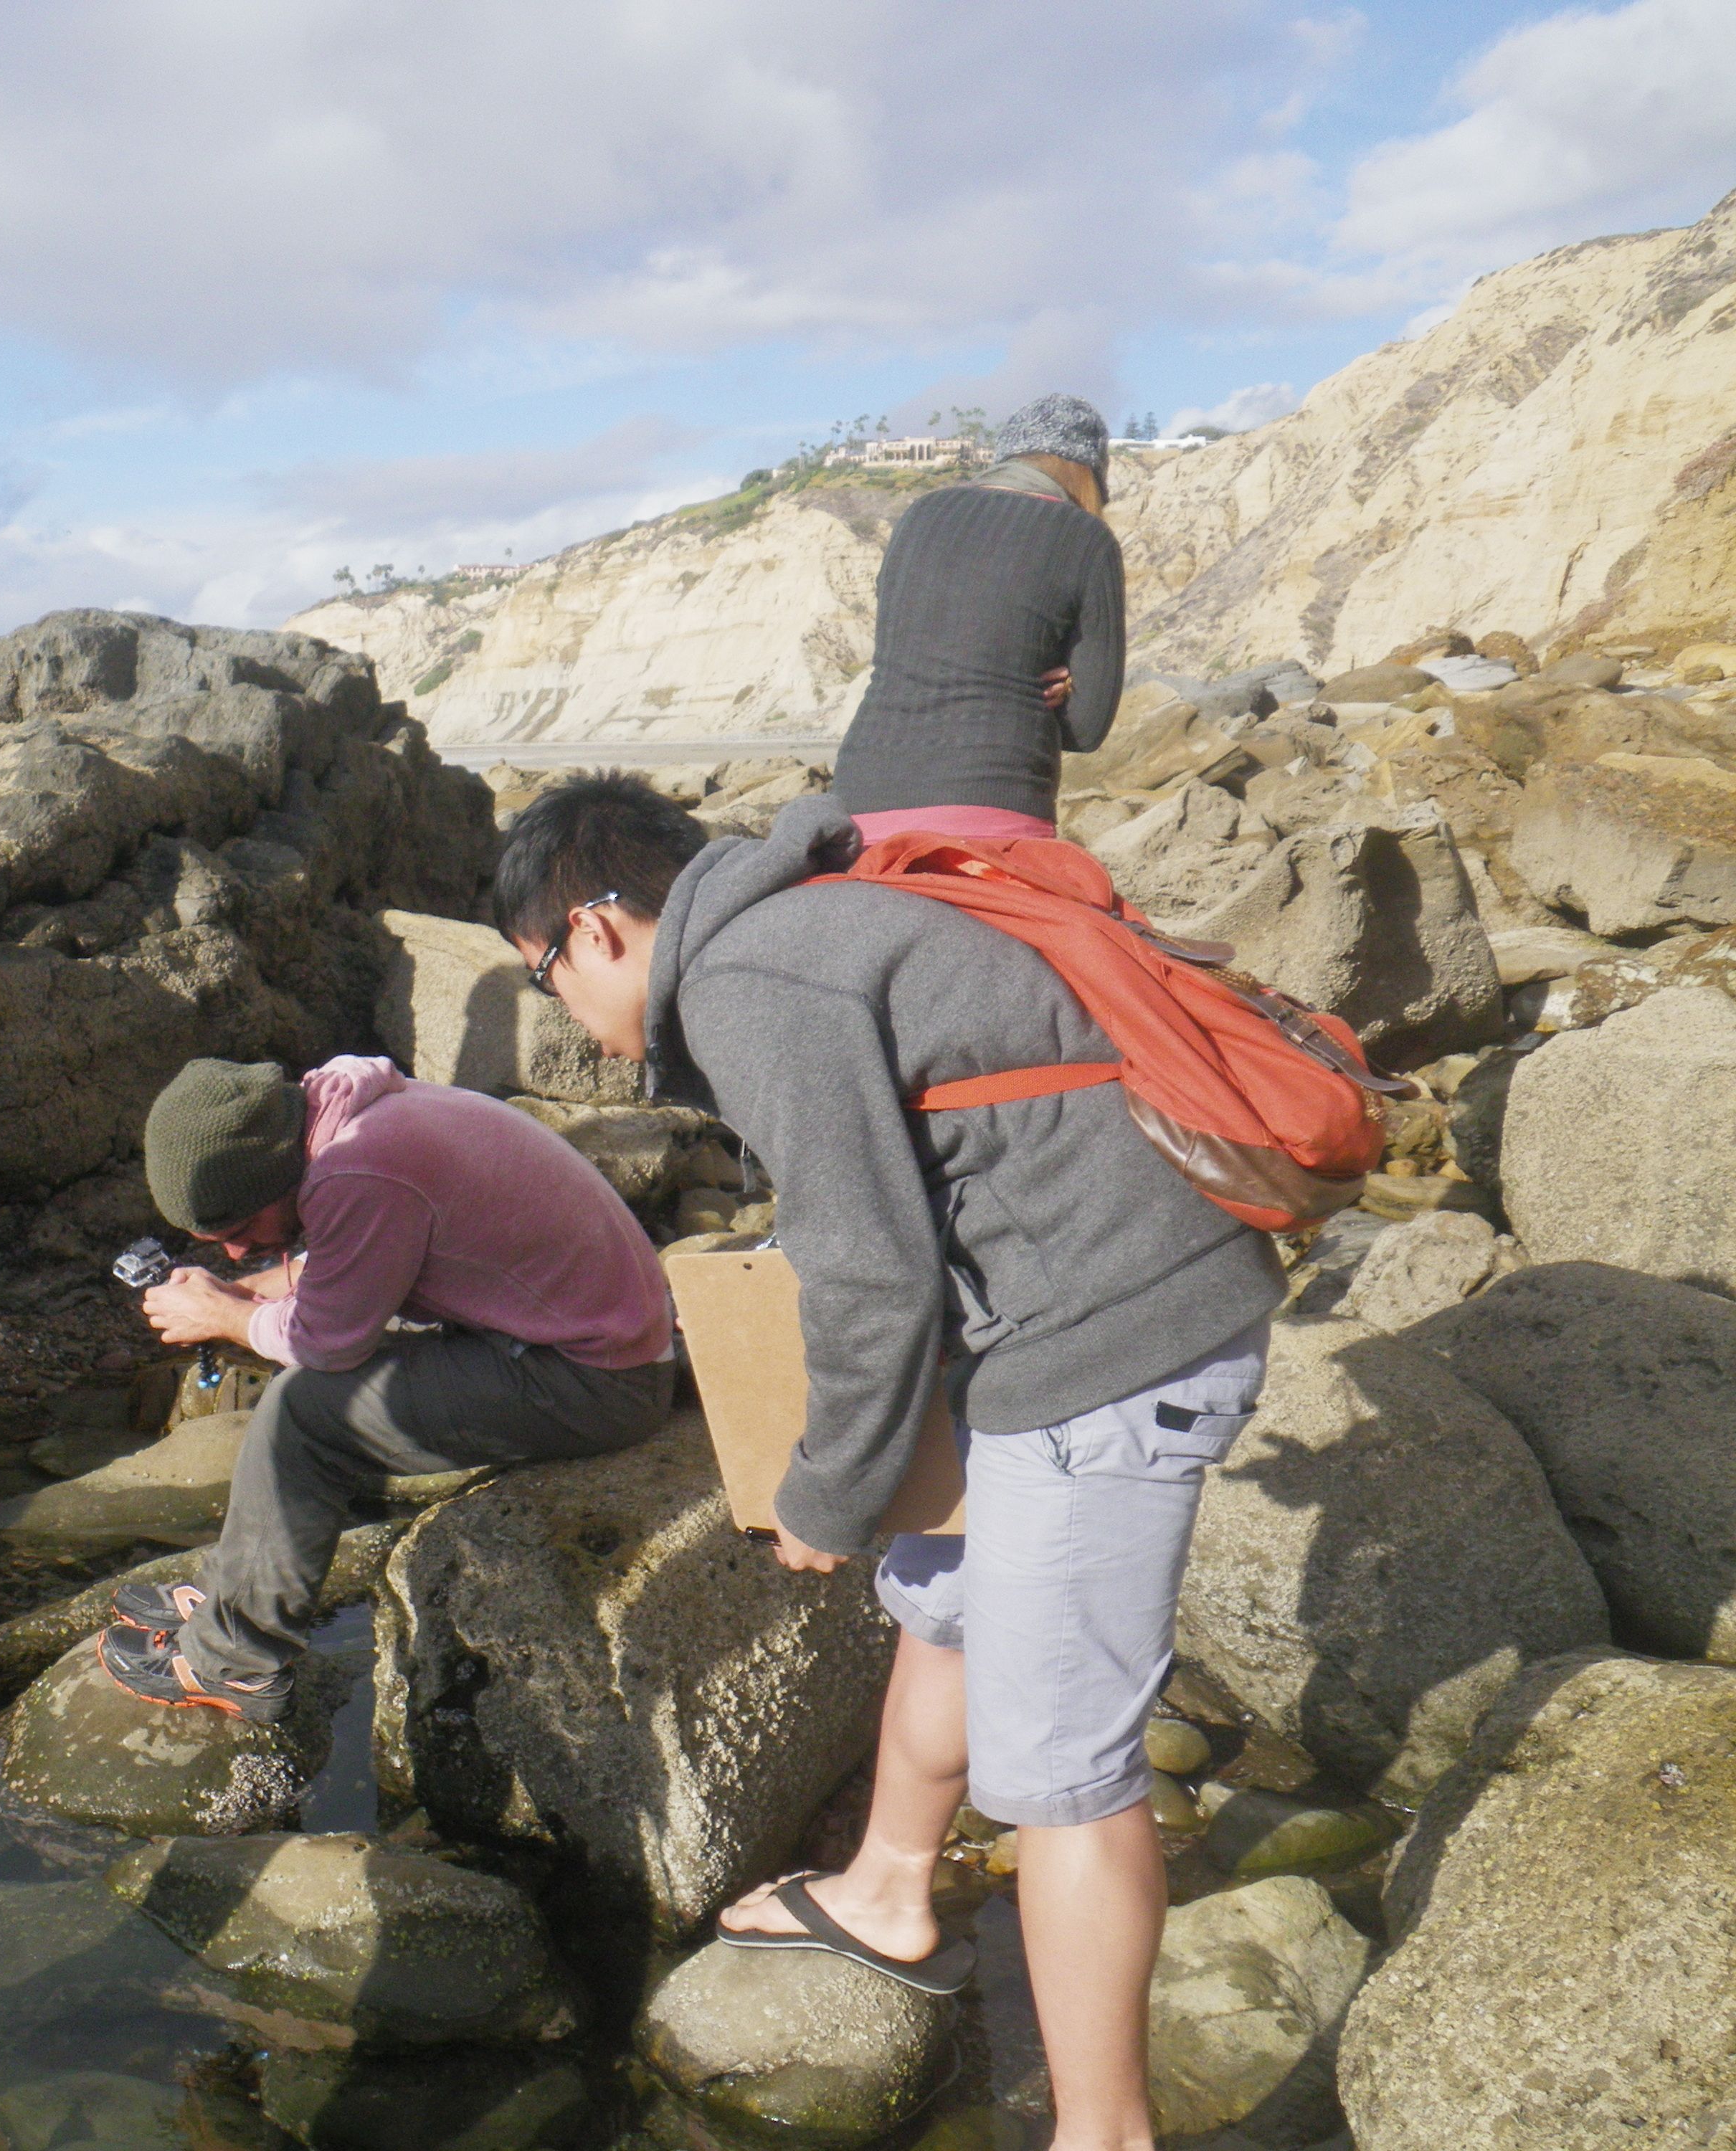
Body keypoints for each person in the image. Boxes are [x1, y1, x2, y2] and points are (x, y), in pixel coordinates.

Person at [493, 776, 1281, 2151]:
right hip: (1056, 1315)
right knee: (947, 1595)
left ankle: (1104, 2132)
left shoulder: (751, 978)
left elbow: (871, 1275)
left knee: (1065, 1776)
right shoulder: (800, 919)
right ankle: (887, 1888)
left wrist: (826, 1494)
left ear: (597, 929)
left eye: (542, 976)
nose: (560, 1011)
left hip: (1115, 1336)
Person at [104, 1053, 679, 1720]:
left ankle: (234, 1663)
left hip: (599, 1382)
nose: (236, 1254)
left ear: (276, 1175)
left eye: (238, 1234)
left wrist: (227, 1316)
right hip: (579, 1340)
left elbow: (327, 1342)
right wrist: (243, 1296)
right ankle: (233, 1599)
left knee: (306, 1415)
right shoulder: (347, 1113)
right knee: (309, 1391)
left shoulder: (360, 1171)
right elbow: (362, 1253)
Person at [829, 392, 1124, 841]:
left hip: (860, 797)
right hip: (993, 803)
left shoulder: (919, 514)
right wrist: (1048, 690)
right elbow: (1086, 731)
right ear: (1090, 474)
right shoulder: (1086, 536)